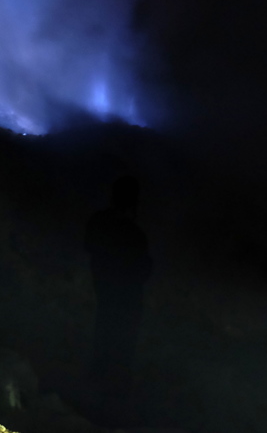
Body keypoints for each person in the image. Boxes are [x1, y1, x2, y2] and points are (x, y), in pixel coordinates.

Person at [84, 175, 152, 413]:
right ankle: (114, 398)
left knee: (105, 335)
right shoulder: (132, 232)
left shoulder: (100, 221)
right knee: (122, 343)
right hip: (126, 297)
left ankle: (99, 390)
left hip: (106, 291)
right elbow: (144, 269)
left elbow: (90, 247)